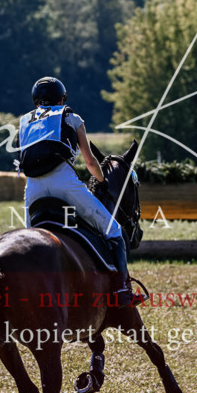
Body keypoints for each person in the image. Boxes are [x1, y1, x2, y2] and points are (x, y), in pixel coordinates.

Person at [17, 76, 140, 305]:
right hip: (64, 182)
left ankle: (25, 293)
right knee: (113, 230)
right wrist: (102, 182)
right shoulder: (71, 118)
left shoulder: (25, 121)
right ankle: (123, 290)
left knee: (28, 242)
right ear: (62, 99)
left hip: (32, 188)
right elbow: (91, 162)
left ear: (36, 102)